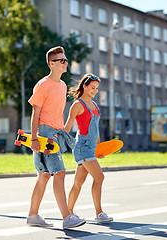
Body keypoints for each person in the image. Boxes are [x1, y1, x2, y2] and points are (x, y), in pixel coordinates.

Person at [26, 46, 86, 229]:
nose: (66, 63)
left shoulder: (61, 86)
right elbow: (35, 112)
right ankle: (67, 217)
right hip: (45, 134)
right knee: (59, 173)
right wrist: (35, 138)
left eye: (66, 60)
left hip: (56, 134)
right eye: (62, 61)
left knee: (44, 175)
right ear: (52, 64)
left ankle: (33, 215)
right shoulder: (43, 85)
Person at [64, 73, 113, 222]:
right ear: (84, 86)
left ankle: (68, 213)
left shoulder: (94, 105)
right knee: (99, 176)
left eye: (97, 88)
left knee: (78, 182)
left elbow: (96, 129)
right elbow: (67, 127)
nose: (95, 91)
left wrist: (99, 148)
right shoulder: (78, 105)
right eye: (92, 87)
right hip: (82, 147)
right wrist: (56, 141)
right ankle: (99, 213)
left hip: (91, 148)